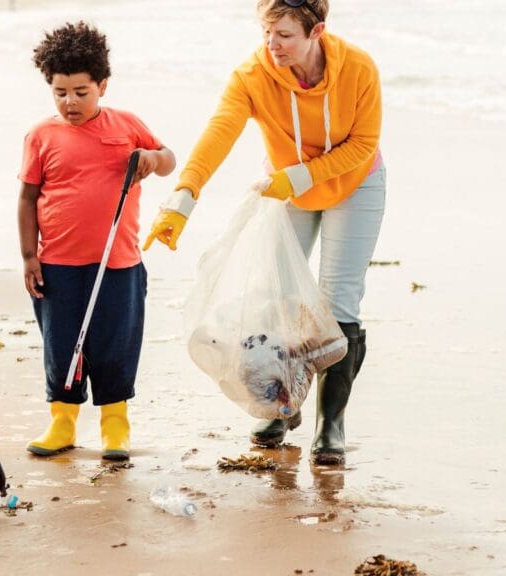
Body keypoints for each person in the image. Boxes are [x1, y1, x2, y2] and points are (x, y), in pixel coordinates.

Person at [144, 0, 385, 465]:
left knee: (339, 302)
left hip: (354, 183)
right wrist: (182, 200)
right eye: (266, 33)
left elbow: (363, 143)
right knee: (277, 297)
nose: (272, 45)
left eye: (285, 35)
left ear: (317, 32)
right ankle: (279, 405)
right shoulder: (252, 75)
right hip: (287, 185)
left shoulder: (358, 67)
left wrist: (296, 178)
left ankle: (330, 424)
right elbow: (218, 133)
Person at [18, 22, 176, 461]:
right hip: (59, 264)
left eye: (81, 92)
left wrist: (151, 157)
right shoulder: (41, 136)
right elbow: (28, 197)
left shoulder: (126, 125)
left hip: (119, 263)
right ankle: (62, 422)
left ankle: (115, 425)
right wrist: (30, 256)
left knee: (114, 344)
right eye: (60, 92)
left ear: (102, 86)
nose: (70, 102)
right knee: (61, 345)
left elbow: (168, 161)